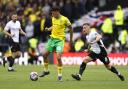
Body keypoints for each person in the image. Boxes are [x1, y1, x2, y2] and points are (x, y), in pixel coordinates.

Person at [39, 6, 73, 81]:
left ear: (57, 12)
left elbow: (71, 29)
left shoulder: (65, 19)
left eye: (53, 13)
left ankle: (60, 76)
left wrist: (70, 40)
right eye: (52, 13)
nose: (52, 15)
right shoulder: (53, 18)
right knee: (44, 55)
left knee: (58, 57)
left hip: (60, 41)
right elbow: (54, 26)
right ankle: (46, 71)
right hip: (52, 39)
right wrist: (49, 29)